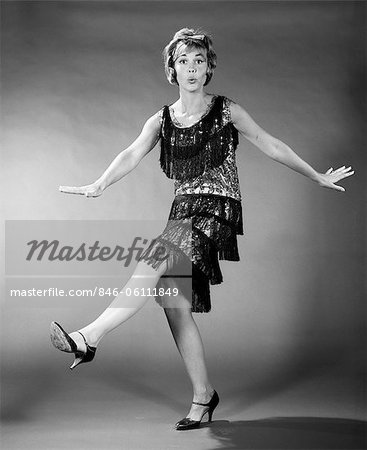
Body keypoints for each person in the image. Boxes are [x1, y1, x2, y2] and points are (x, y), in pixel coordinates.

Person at [50, 28, 354, 431]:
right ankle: (203, 396)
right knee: (171, 300)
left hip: (218, 207)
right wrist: (100, 183)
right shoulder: (161, 119)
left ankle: (90, 336)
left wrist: (315, 175)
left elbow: (269, 142)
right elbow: (130, 153)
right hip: (183, 210)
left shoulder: (226, 109)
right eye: (183, 61)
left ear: (208, 68)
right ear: (171, 69)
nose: (192, 68)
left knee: (154, 256)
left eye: (199, 61)